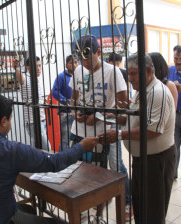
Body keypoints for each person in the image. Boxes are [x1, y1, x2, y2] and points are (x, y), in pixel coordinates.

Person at [0, 93, 98, 224]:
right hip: (1, 219)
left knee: (28, 209)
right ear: (4, 121)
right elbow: (54, 162)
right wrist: (81, 146)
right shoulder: (10, 150)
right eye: (11, 119)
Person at [99, 54, 176, 224]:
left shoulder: (158, 92)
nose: (129, 78)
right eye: (130, 73)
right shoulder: (142, 90)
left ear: (148, 71)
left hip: (157, 161)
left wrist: (119, 135)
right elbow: (134, 119)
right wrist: (115, 116)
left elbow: (152, 130)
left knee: (153, 212)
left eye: (133, 73)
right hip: (142, 160)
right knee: (141, 207)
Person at [69, 35, 127, 220]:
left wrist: (100, 116)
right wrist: (74, 113)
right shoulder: (78, 71)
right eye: (81, 58)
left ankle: (99, 215)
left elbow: (123, 105)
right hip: (77, 132)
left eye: (88, 57)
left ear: (99, 52)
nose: (84, 63)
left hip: (100, 135)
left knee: (98, 180)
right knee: (76, 174)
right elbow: (73, 100)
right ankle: (81, 213)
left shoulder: (113, 72)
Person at [107, 52, 132, 220]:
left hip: (114, 123)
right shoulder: (105, 73)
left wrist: (110, 112)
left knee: (116, 163)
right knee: (110, 162)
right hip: (105, 123)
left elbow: (123, 103)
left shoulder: (119, 74)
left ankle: (128, 200)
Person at [13, 56, 50, 151]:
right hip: (33, 121)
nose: (38, 68)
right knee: (46, 148)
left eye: (39, 65)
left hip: (42, 120)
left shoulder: (37, 79)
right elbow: (20, 78)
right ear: (28, 68)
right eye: (36, 66)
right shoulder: (26, 78)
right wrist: (17, 68)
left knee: (38, 149)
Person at [52, 55, 79, 151]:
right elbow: (55, 92)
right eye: (71, 63)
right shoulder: (61, 77)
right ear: (66, 65)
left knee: (77, 139)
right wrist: (67, 102)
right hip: (66, 113)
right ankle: (62, 161)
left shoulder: (80, 76)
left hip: (79, 113)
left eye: (76, 62)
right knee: (66, 139)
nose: (74, 65)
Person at [167, 45, 181, 179]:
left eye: (180, 59)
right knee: (174, 146)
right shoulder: (169, 70)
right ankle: (172, 174)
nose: (177, 62)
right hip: (175, 114)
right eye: (176, 58)